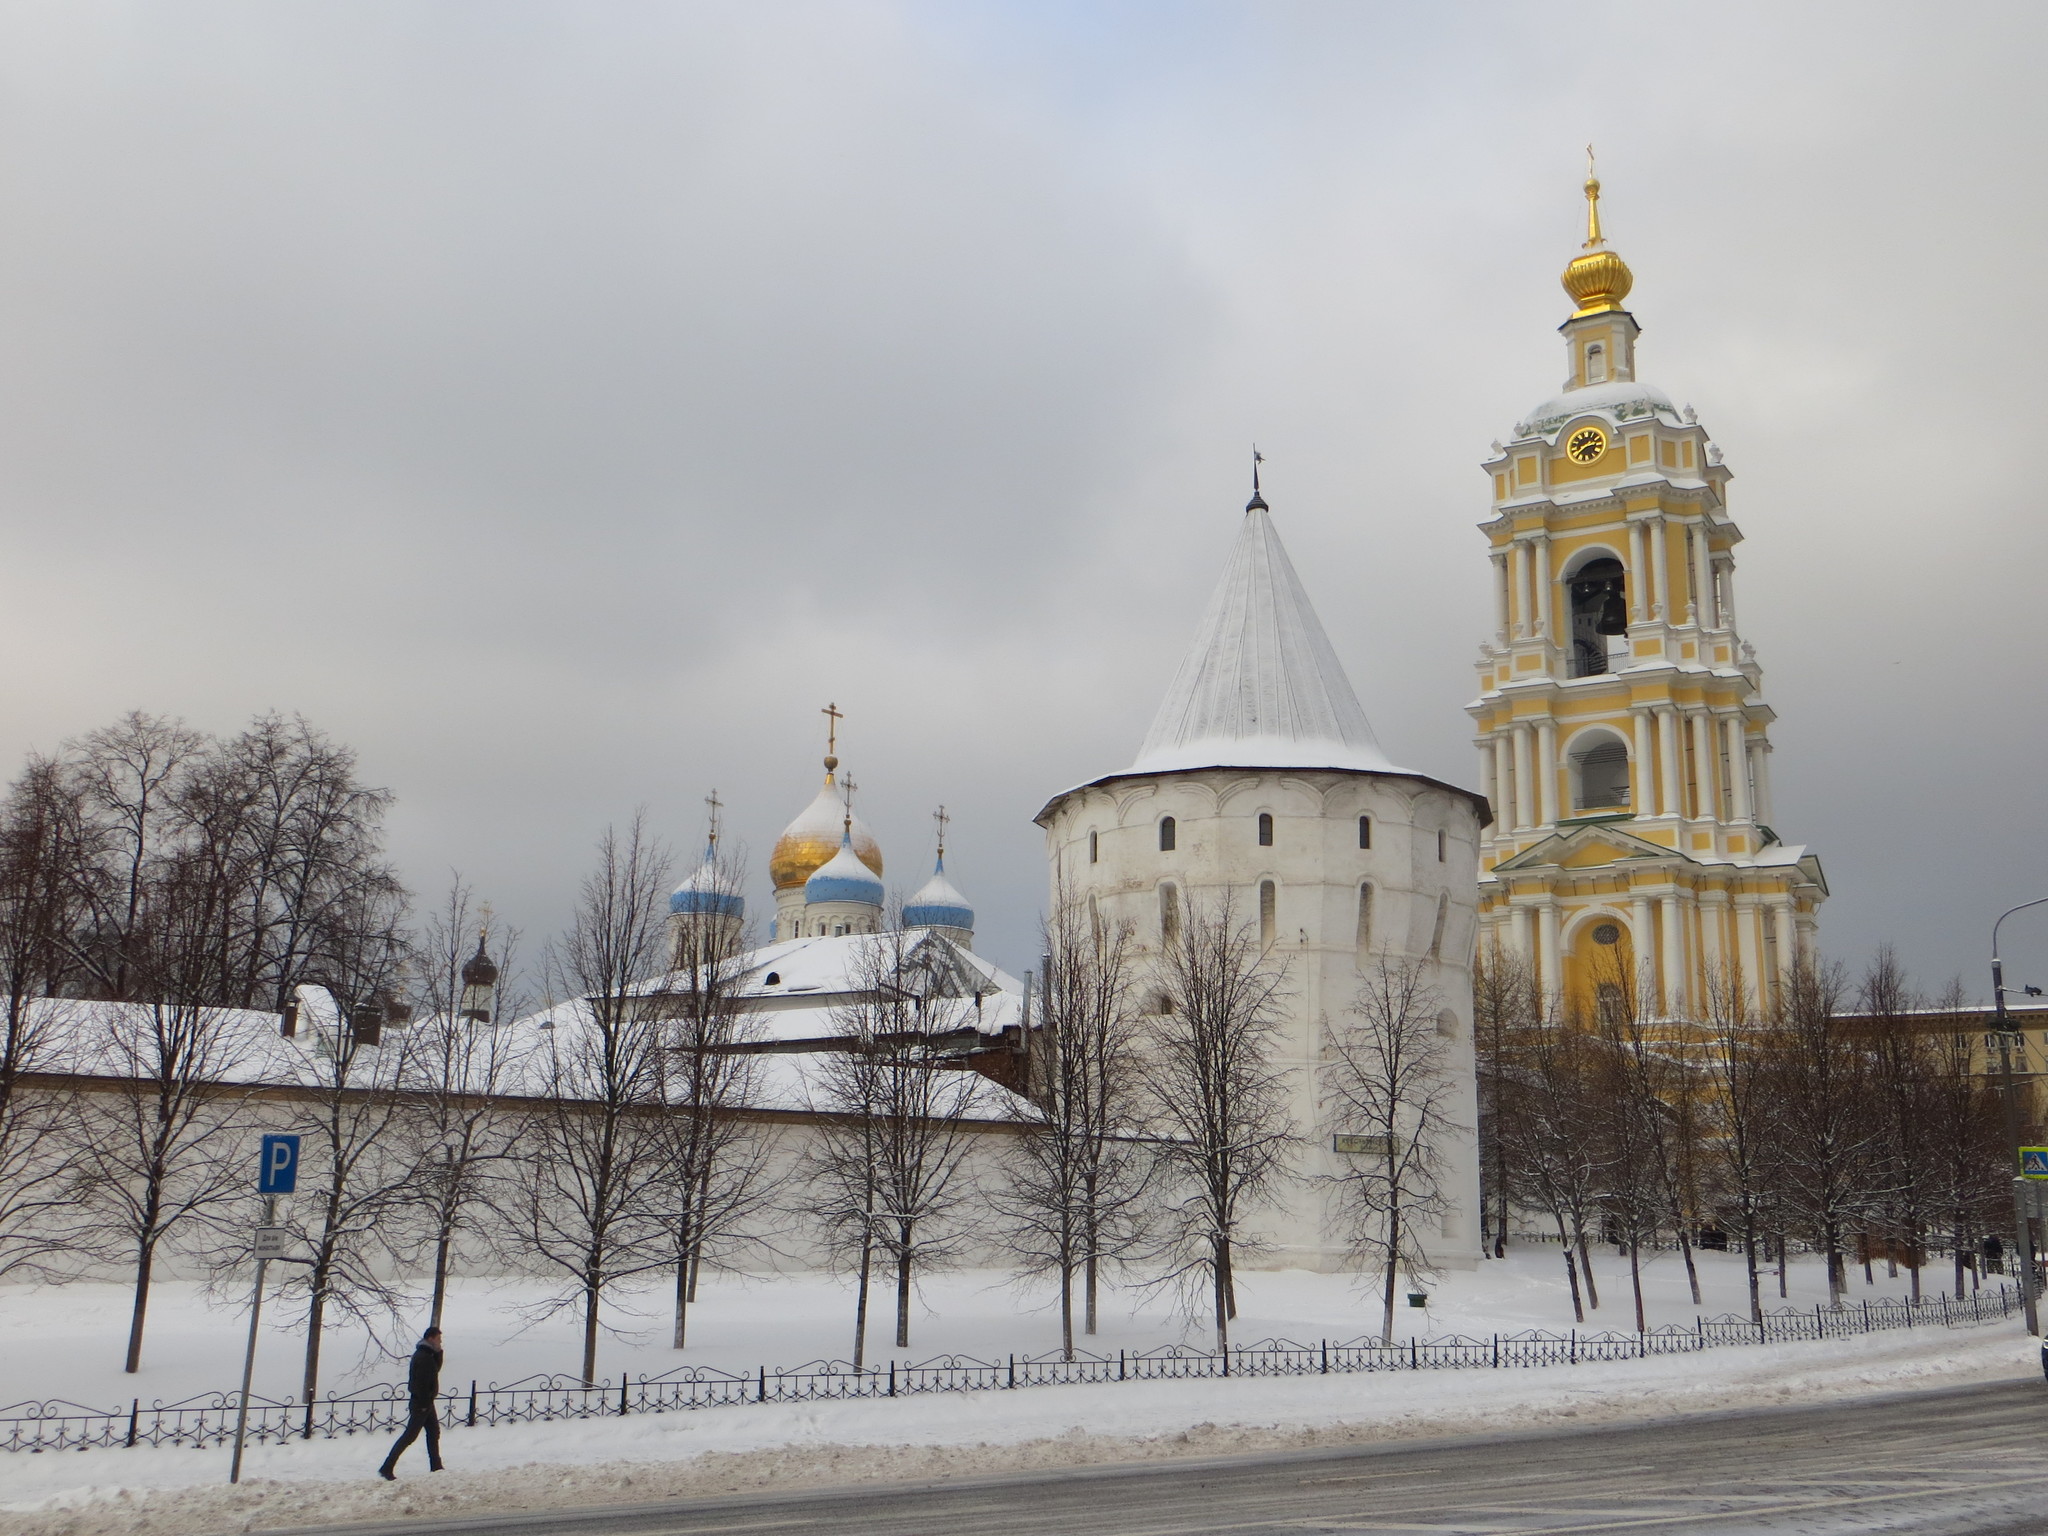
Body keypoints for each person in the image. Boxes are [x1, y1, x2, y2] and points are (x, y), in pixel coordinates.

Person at [377, 1327, 445, 1479]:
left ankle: (436, 1466)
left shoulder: (428, 1354)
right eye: (438, 1339)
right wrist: (423, 1404)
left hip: (426, 1402)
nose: (440, 1342)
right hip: (421, 1403)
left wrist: (439, 1353)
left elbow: (435, 1371)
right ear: (431, 1338)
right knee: (410, 1436)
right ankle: (387, 1467)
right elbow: (420, 1383)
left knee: (433, 1432)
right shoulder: (422, 1356)